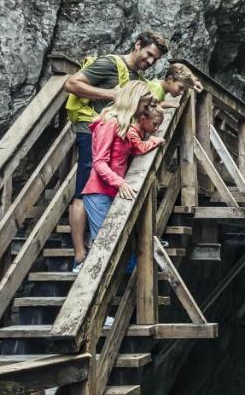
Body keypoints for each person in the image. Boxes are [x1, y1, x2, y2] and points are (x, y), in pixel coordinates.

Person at [64, 31, 170, 271]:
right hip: (93, 131)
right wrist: (112, 94)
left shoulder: (137, 76)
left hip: (115, 135)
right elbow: (71, 83)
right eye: (149, 54)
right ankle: (80, 255)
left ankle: (104, 248)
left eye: (156, 59)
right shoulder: (110, 64)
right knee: (83, 190)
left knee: (101, 188)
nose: (151, 61)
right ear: (137, 44)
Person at [81, 82, 164, 248]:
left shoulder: (123, 125)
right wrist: (121, 183)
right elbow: (99, 162)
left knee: (117, 244)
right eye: (145, 105)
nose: (146, 110)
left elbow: (130, 151)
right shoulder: (110, 122)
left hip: (112, 191)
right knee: (105, 246)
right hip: (99, 192)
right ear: (134, 101)